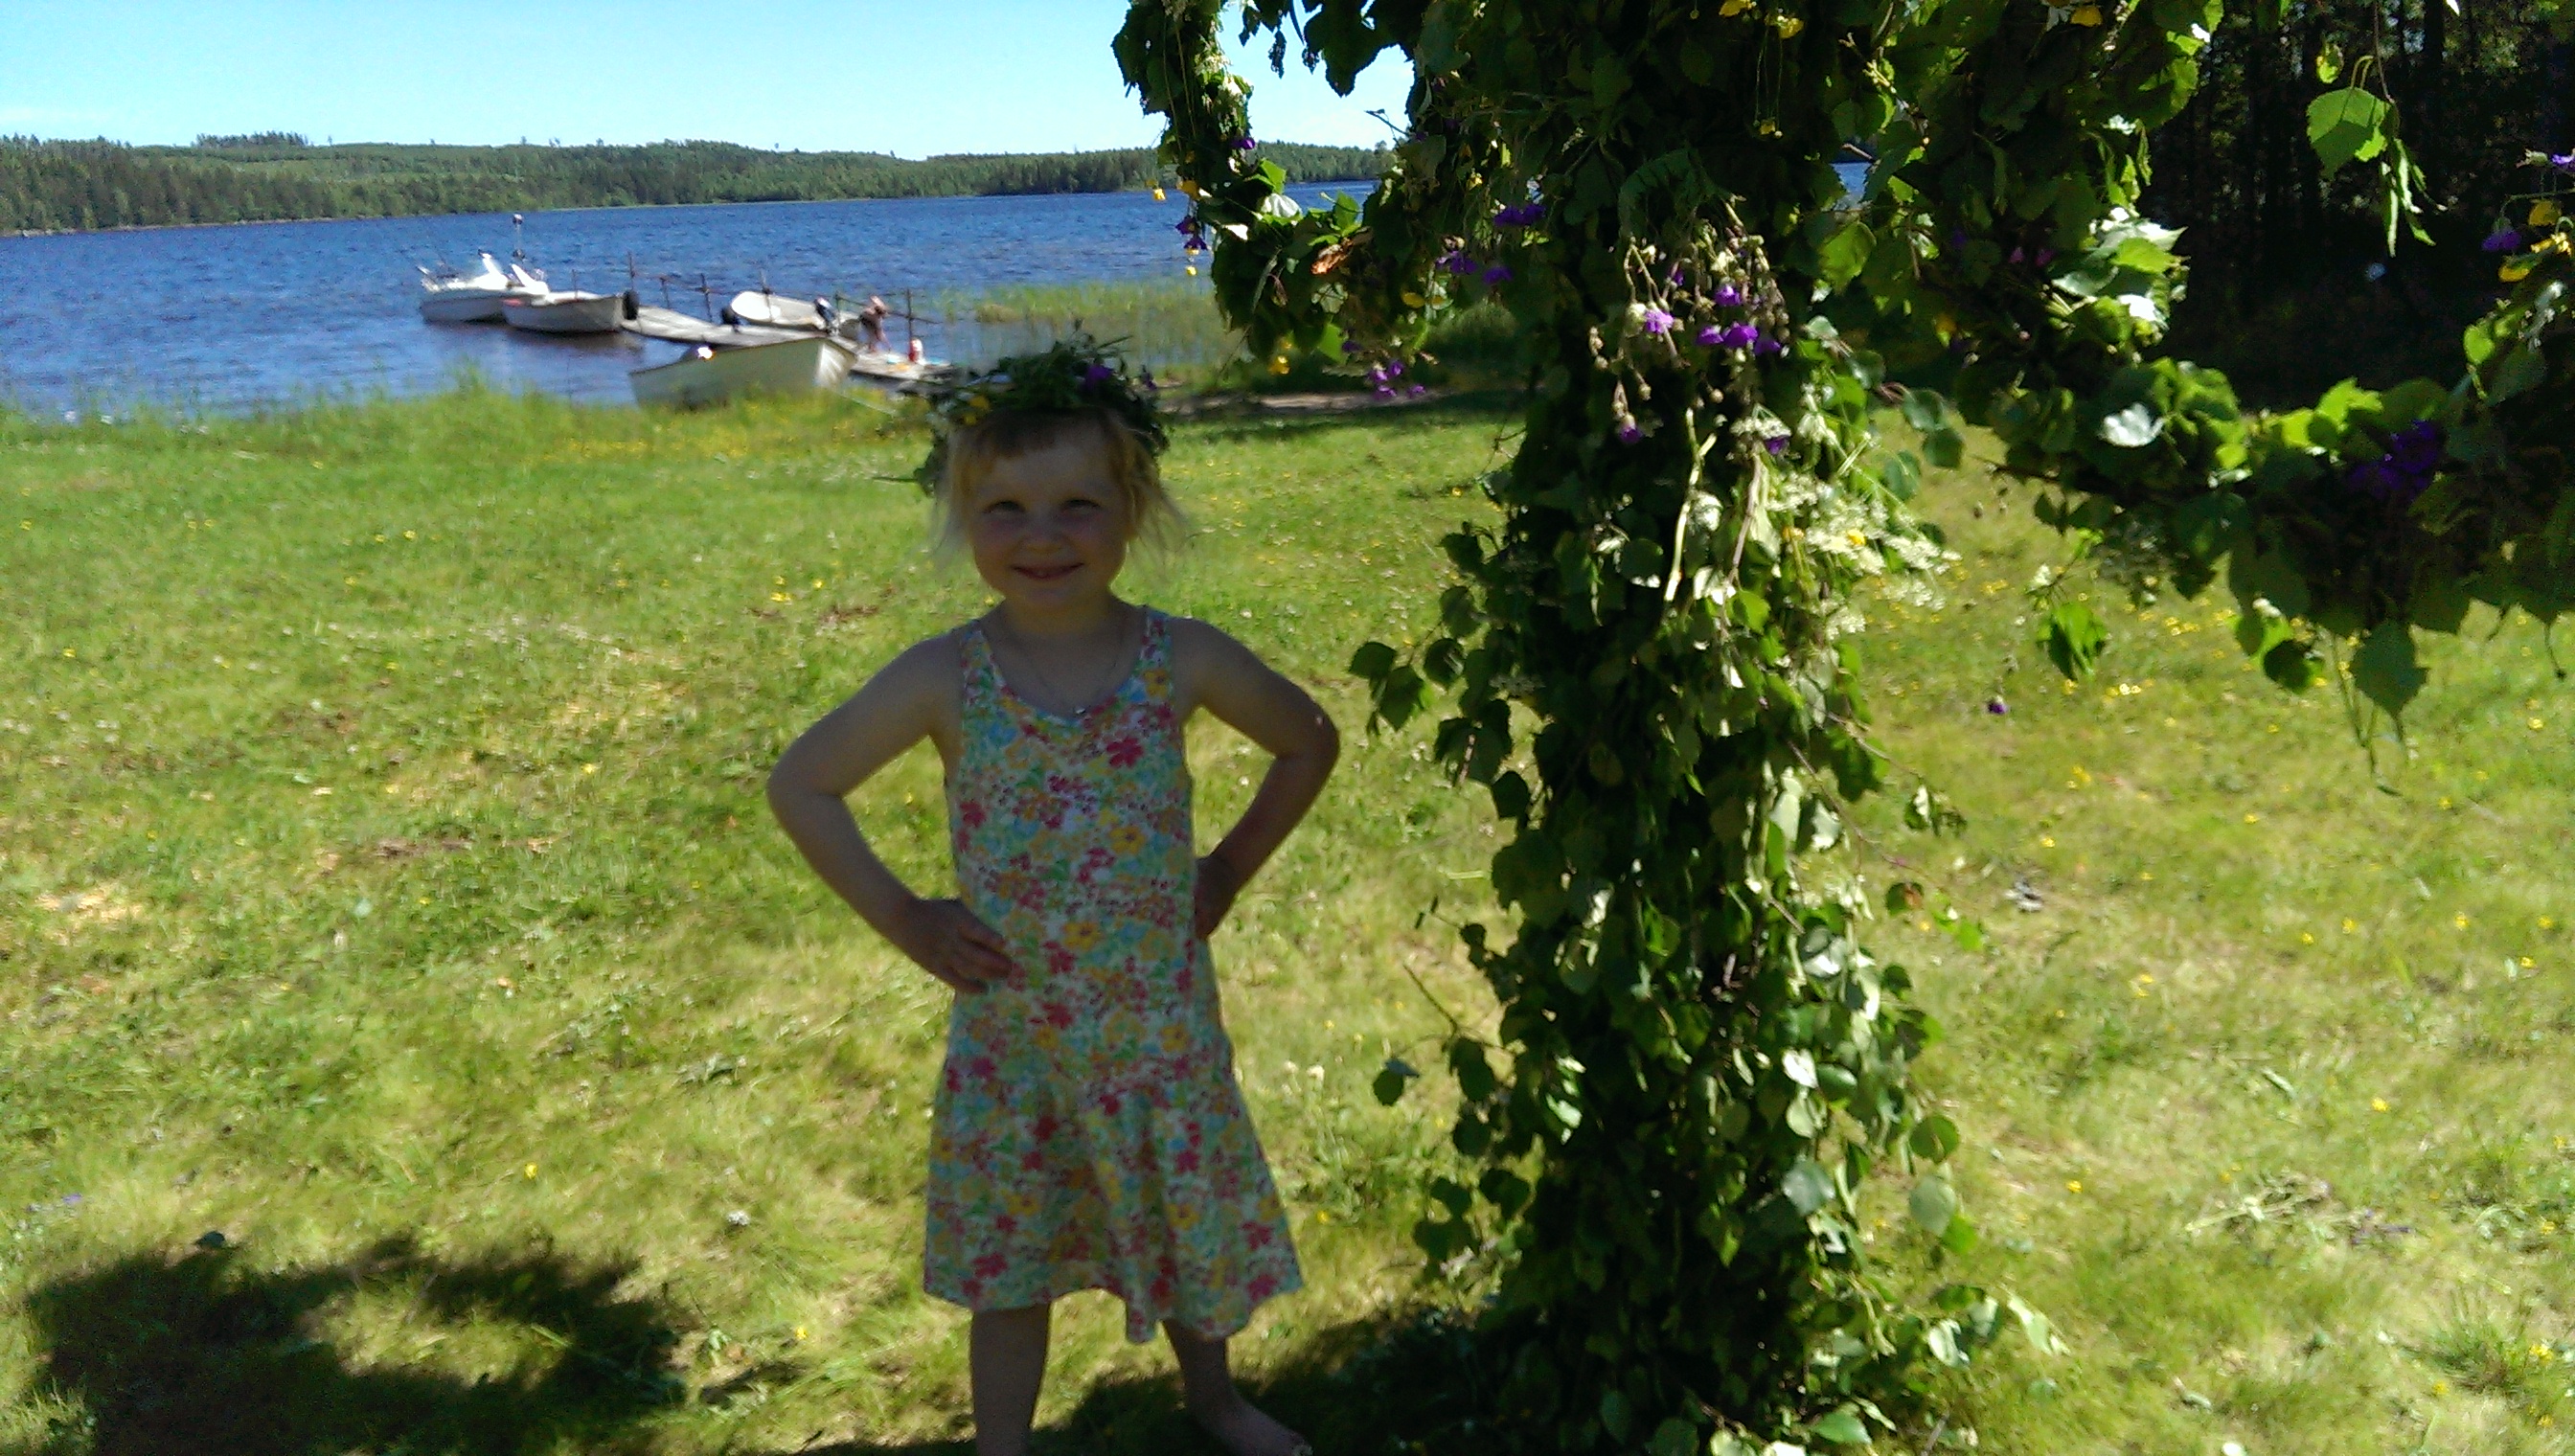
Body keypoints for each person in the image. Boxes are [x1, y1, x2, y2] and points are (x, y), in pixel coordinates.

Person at [766, 340, 1335, 1456]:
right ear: (963, 521)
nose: (1042, 535)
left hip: (1156, 1027)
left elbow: (1308, 738)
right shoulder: (946, 675)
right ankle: (1003, 1444)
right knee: (1012, 1260)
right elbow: (804, 782)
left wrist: (1225, 869)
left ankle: (1214, 1399)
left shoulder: (1181, 658)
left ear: (1133, 511)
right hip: (1017, 1039)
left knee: (1179, 1220)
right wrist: (908, 917)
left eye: (1078, 505)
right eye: (1006, 509)